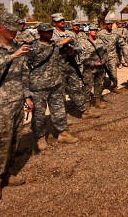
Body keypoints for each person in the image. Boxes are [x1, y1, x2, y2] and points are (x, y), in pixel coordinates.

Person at [0, 12, 34, 202]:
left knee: (14, 140)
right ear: (0, 27)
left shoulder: (19, 46)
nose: (13, 33)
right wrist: (12, 55)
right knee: (1, 141)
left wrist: (27, 95)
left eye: (15, 29)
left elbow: (23, 73)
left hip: (18, 99)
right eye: (10, 29)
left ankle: (6, 173)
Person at [28, 23, 78, 152]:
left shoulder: (55, 45)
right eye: (46, 31)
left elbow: (69, 43)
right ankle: (40, 137)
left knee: (59, 110)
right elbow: (27, 66)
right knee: (39, 114)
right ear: (39, 33)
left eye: (50, 31)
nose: (49, 33)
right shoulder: (33, 47)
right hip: (39, 86)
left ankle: (63, 133)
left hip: (56, 83)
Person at [51, 13, 87, 116]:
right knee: (60, 91)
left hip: (71, 65)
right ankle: (62, 114)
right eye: (59, 21)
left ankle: (83, 110)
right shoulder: (51, 34)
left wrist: (75, 51)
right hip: (57, 67)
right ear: (54, 23)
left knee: (76, 88)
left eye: (63, 20)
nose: (62, 22)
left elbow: (80, 47)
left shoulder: (70, 34)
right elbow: (50, 48)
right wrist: (63, 42)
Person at [80, 24, 108, 112]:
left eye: (96, 30)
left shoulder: (100, 42)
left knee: (99, 85)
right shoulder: (84, 43)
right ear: (89, 31)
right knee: (87, 87)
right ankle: (87, 105)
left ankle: (98, 102)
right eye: (92, 30)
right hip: (89, 69)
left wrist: (104, 60)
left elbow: (105, 52)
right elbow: (81, 58)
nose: (95, 31)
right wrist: (93, 63)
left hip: (100, 68)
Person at [97, 19, 128, 94]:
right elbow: (96, 44)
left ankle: (114, 86)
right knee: (102, 74)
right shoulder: (100, 34)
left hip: (113, 56)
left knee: (113, 73)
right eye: (108, 24)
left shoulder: (115, 34)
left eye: (111, 24)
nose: (110, 25)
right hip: (102, 57)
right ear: (105, 25)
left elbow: (120, 43)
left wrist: (126, 48)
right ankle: (100, 87)